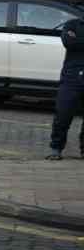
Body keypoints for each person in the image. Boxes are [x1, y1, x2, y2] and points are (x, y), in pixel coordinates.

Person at [47, 15, 84, 160]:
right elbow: (69, 42)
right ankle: (56, 148)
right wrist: (74, 41)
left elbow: (75, 43)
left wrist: (78, 40)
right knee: (63, 113)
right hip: (72, 76)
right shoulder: (72, 24)